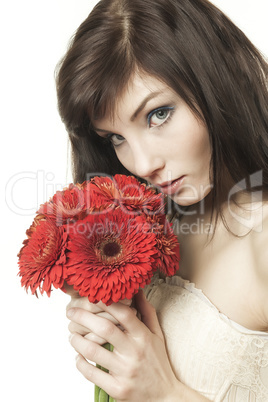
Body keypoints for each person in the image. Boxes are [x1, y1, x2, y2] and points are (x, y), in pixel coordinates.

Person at [56, 0, 268, 400]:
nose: (142, 163)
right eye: (114, 138)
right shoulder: (155, 228)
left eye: (158, 114)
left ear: (216, 79)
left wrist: (164, 393)